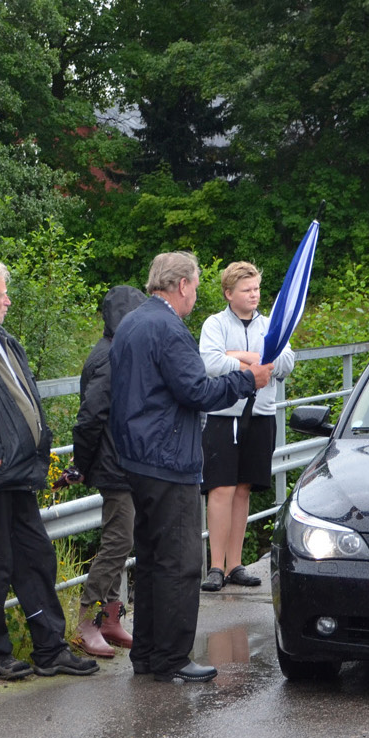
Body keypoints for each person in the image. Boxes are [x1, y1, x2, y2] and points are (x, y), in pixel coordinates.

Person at [109, 251, 271, 682]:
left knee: (150, 559)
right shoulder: (168, 328)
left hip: (136, 456)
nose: (196, 294)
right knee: (180, 562)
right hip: (167, 458)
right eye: (196, 286)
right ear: (181, 285)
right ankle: (172, 657)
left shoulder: (132, 322)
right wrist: (245, 380)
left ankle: (146, 653)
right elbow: (196, 390)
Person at [0, 259, 100, 677]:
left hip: (21, 473)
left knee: (36, 558)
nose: (8, 301)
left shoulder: (5, 340)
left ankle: (50, 649)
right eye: (1, 294)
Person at [198, 262, 296, 591]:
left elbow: (284, 363)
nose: (254, 295)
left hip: (261, 415)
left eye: (256, 289)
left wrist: (241, 356)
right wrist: (256, 360)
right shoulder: (214, 324)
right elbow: (211, 363)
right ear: (229, 294)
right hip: (224, 417)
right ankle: (215, 566)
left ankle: (235, 565)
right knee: (221, 489)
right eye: (246, 290)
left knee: (242, 490)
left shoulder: (271, 325)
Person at [68, 285, 148, 655]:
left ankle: (112, 619)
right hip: (114, 464)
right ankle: (88, 621)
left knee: (122, 540)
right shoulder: (110, 357)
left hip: (123, 461)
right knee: (118, 542)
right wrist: (81, 465)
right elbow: (90, 419)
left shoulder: (117, 350)